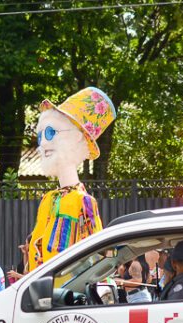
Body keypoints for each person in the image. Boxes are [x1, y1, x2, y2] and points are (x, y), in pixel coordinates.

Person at [28, 87, 116, 271]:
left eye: (50, 132)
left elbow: (96, 257)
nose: (43, 142)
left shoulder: (84, 202)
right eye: (40, 135)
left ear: (77, 137)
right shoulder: (48, 199)